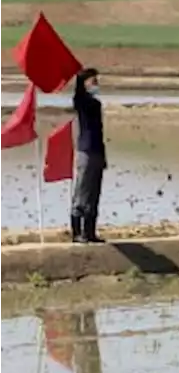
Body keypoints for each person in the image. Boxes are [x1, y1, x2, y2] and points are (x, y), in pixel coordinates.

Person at [71, 68, 106, 243]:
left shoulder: (96, 103)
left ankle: (90, 232)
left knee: (94, 193)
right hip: (85, 151)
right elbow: (77, 95)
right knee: (82, 192)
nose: (96, 84)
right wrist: (79, 79)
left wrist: (103, 156)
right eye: (93, 81)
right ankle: (78, 233)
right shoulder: (82, 101)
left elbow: (98, 132)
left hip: (97, 151)